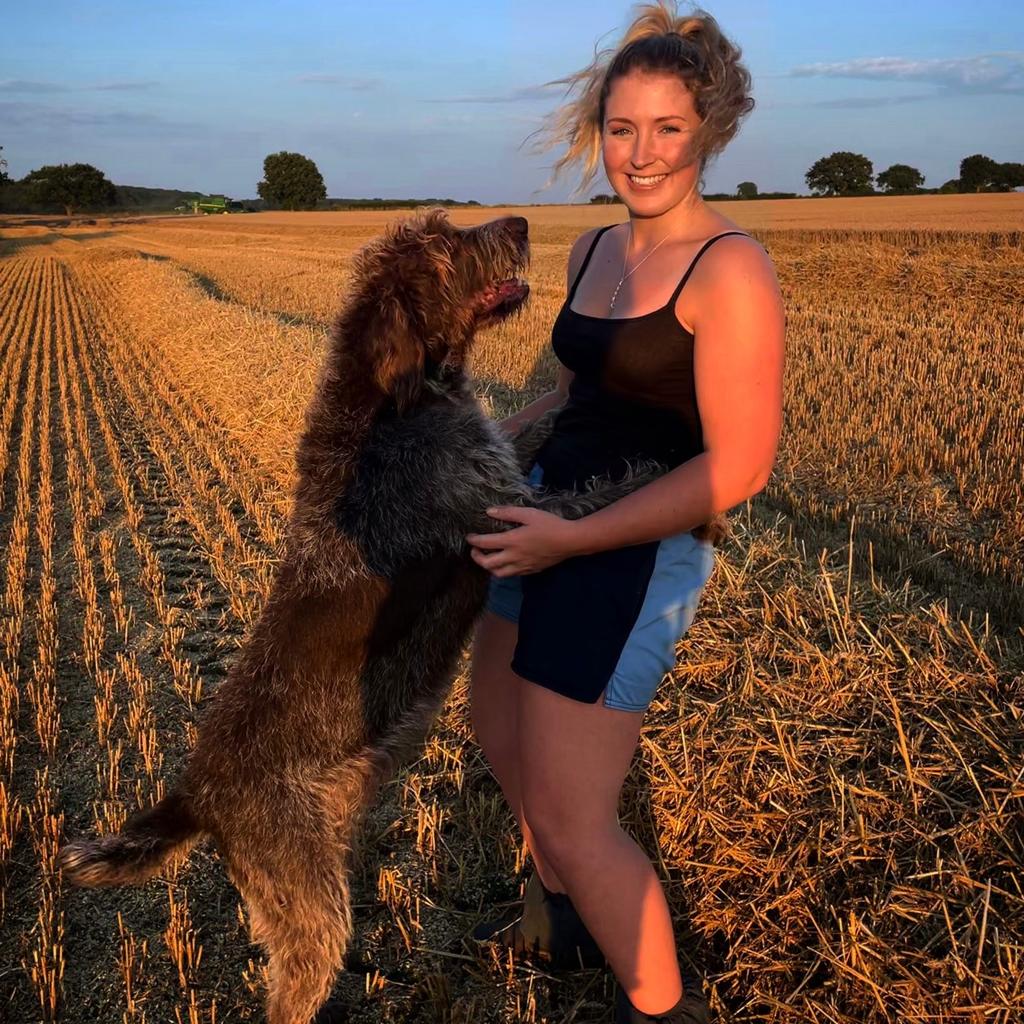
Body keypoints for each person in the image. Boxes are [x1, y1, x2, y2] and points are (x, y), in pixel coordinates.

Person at [465, 2, 785, 1022]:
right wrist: (491, 445)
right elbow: (583, 394)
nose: (639, 154)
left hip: (628, 549)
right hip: (543, 520)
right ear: (598, 128)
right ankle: (557, 921)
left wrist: (576, 537)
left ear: (710, 130)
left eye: (666, 129)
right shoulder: (597, 247)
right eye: (621, 128)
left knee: (572, 813)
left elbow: (739, 465)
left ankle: (661, 1006)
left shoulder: (728, 269)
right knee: (498, 737)